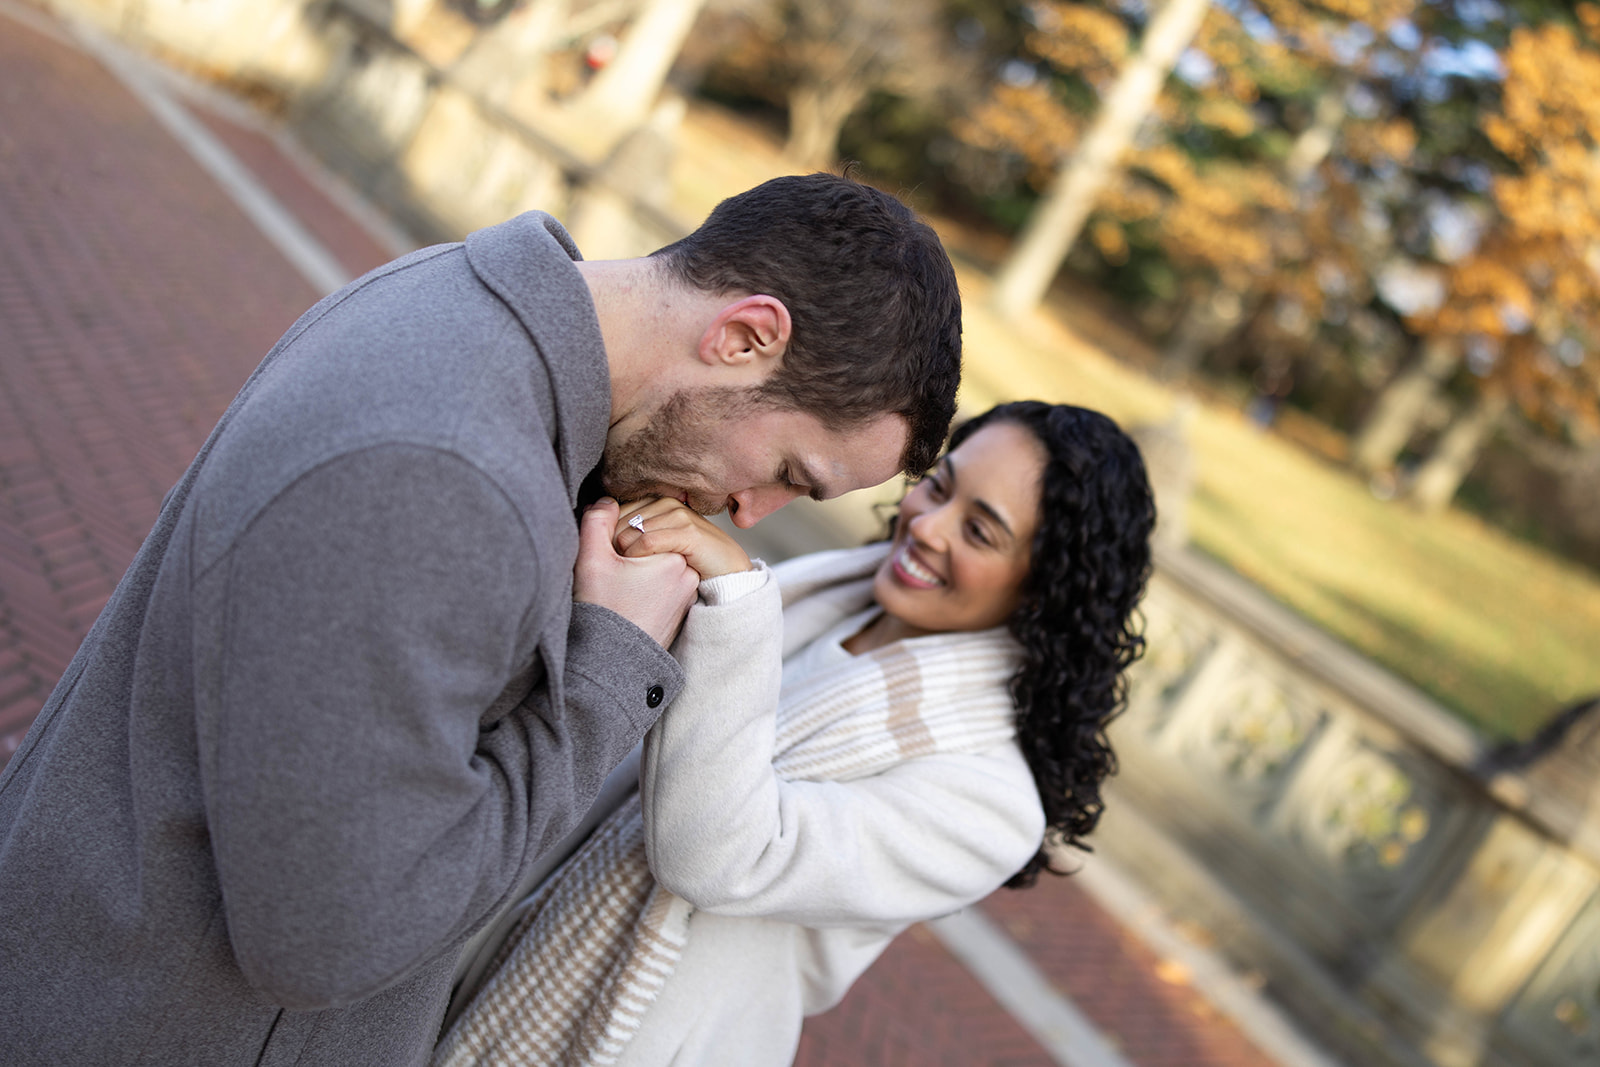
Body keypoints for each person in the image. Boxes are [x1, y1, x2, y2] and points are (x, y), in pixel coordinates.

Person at [0, 173, 961, 1066]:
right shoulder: (443, 474)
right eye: (792, 473)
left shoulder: (454, 298)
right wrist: (607, 674)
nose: (755, 515)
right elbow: (330, 939)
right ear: (746, 334)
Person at [436, 400, 1156, 1066]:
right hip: (507, 939)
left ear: (1043, 592)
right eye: (940, 486)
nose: (927, 524)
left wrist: (736, 603)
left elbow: (716, 854)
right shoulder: (824, 596)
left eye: (979, 530)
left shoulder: (989, 807)